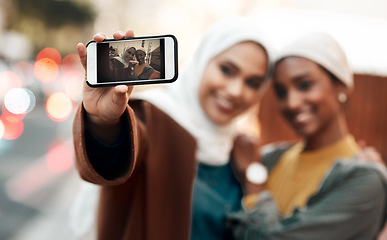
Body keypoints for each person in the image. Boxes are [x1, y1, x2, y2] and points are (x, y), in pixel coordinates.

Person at [73, 17, 271, 240]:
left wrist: (252, 173)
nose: (236, 91)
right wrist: (104, 122)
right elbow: (118, 151)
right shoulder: (152, 115)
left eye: (253, 83)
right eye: (227, 70)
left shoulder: (238, 147)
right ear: (201, 61)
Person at [227, 32, 387, 240]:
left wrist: (253, 180)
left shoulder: (366, 180)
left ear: (341, 85)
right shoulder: (270, 158)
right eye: (281, 92)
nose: (291, 103)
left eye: (304, 85)